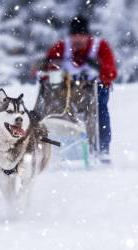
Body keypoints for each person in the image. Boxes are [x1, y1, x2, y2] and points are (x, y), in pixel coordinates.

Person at [43, 15, 117, 163]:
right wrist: (53, 71)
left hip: (95, 90)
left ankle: (102, 149)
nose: (77, 40)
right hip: (66, 91)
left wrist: (99, 67)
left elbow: (111, 73)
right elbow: (44, 68)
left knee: (100, 108)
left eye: (81, 36)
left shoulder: (99, 46)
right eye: (74, 36)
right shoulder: (62, 47)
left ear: (87, 36)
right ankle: (53, 146)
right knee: (50, 105)